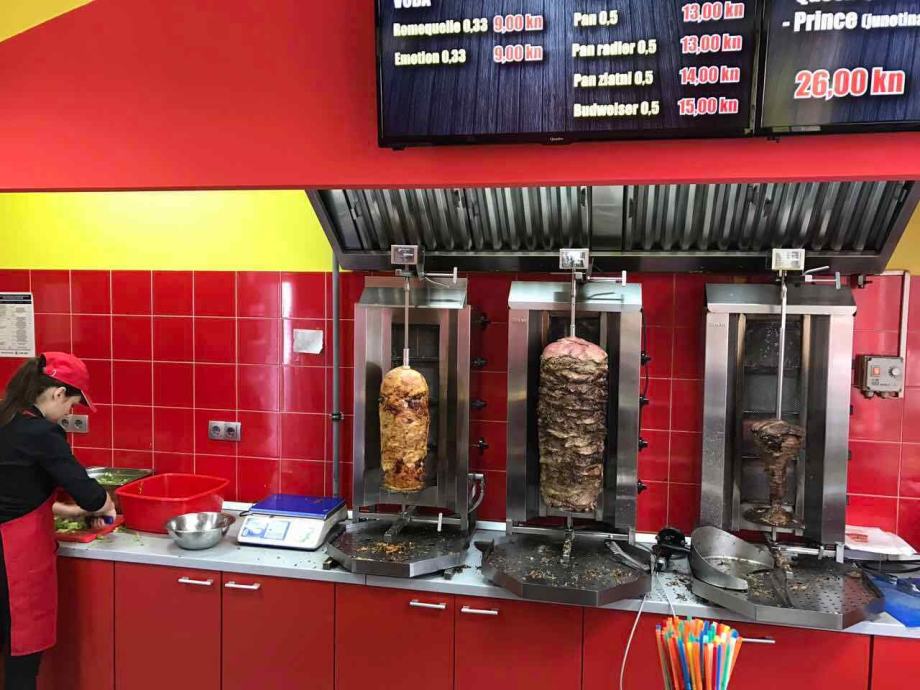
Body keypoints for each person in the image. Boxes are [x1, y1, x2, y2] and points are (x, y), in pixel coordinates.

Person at [0, 353, 115, 690]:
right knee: (21, 666)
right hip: (13, 561)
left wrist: (68, 512)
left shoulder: (5, 417)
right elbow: (92, 496)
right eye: (72, 406)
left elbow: (15, 488)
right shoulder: (42, 433)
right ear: (58, 393)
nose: (68, 414)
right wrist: (105, 506)